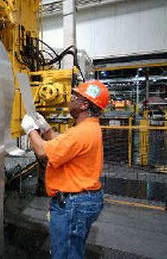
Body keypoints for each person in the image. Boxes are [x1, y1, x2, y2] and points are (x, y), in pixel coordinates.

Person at [21, 80, 110, 259]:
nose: (70, 100)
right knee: (73, 249)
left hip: (74, 203)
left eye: (74, 97)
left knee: (66, 253)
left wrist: (30, 129)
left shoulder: (81, 133)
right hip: (82, 199)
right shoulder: (89, 127)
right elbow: (63, 141)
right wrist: (46, 129)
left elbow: (42, 151)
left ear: (84, 105)